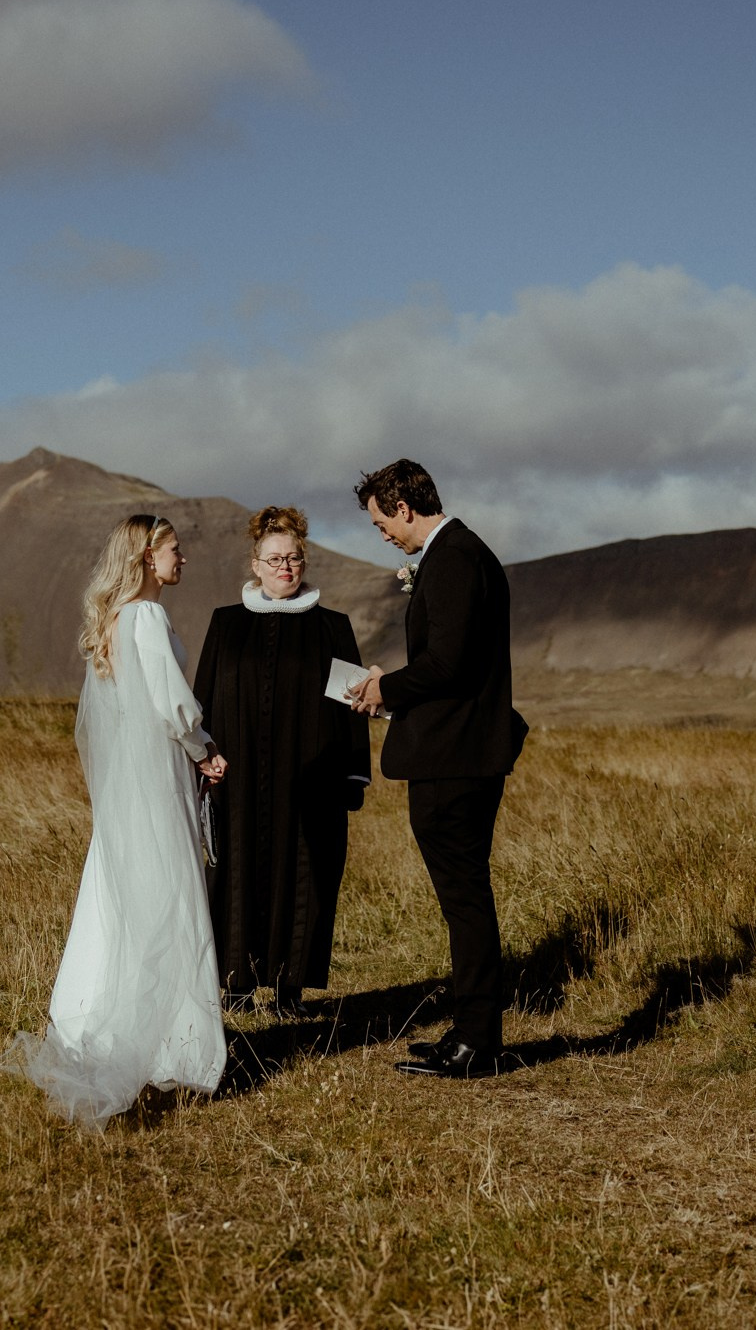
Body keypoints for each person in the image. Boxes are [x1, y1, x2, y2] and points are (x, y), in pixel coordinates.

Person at [6, 514, 230, 1126]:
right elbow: (171, 703)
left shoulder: (117, 619)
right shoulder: (148, 616)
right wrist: (204, 749)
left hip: (131, 784)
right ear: (145, 556)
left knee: (119, 894)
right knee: (170, 894)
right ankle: (176, 1050)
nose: (182, 560)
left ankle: (91, 1019)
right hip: (159, 777)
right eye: (174, 551)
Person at [347, 460, 527, 1079]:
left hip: (454, 759)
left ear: (403, 507)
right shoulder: (462, 552)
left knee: (464, 898)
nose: (383, 535)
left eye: (379, 524)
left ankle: (477, 1042)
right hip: (462, 752)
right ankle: (470, 1029)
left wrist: (383, 691)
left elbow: (447, 665)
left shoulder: (452, 558)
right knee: (464, 896)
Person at [192, 506, 372, 1013]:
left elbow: (353, 707)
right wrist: (198, 758)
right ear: (255, 563)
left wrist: (352, 777)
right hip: (237, 780)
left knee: (305, 875)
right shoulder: (225, 625)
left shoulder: (333, 627)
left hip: (310, 783)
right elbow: (201, 699)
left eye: (293, 558)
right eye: (274, 560)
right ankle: (237, 985)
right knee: (234, 872)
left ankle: (290, 989)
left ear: (304, 560)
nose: (285, 568)